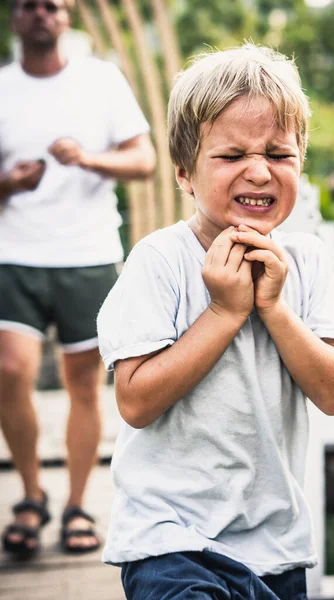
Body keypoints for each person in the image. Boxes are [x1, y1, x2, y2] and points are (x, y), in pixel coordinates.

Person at [97, 43, 334, 599]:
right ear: (185, 173)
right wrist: (224, 312)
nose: (259, 171)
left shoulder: (307, 261)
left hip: (277, 544)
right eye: (232, 154)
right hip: (169, 539)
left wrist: (273, 308)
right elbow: (135, 401)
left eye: (280, 154)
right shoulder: (160, 260)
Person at [0, 0, 155, 556]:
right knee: (9, 370)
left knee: (84, 384)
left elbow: (145, 161)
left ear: (66, 17)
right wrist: (10, 184)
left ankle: (76, 505)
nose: (40, 14)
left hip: (87, 254)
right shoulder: (3, 87)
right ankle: (32, 493)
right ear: (14, 18)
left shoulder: (101, 80)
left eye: (52, 5)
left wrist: (90, 159)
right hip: (13, 254)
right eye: (28, 6)